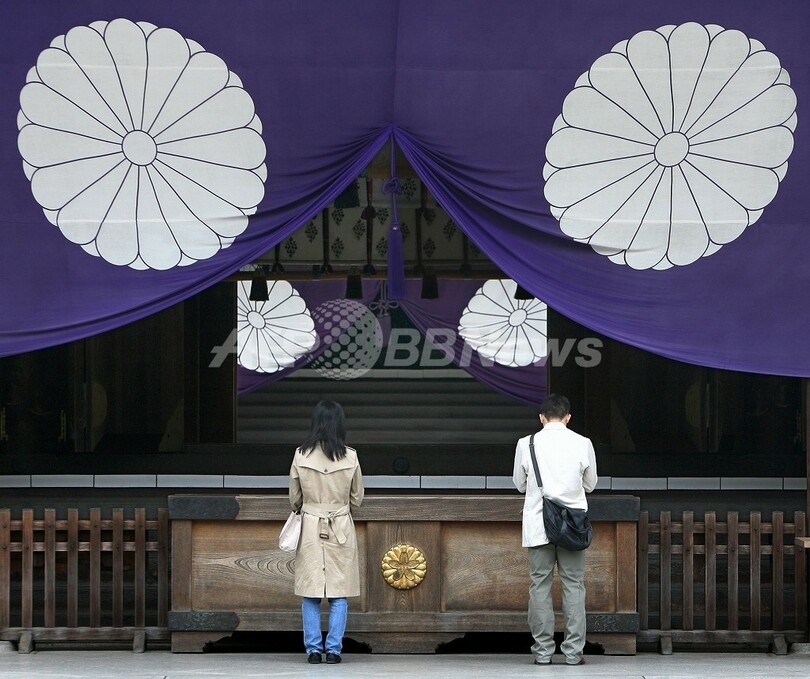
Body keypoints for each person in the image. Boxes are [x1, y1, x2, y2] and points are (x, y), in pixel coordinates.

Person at [512, 393, 598, 666]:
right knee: (574, 586)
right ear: (568, 417)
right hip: (573, 527)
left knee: (540, 586)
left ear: (541, 417)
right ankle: (573, 654)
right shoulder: (583, 443)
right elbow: (591, 484)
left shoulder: (527, 443)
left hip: (539, 524)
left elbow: (519, 484)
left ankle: (543, 653)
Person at [289, 400, 364, 664]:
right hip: (340, 525)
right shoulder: (351, 456)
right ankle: (333, 650)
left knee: (310, 593)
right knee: (338, 592)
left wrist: (310, 506)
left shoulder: (301, 455)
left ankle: (312, 651)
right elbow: (357, 498)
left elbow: (294, 499)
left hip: (310, 525)